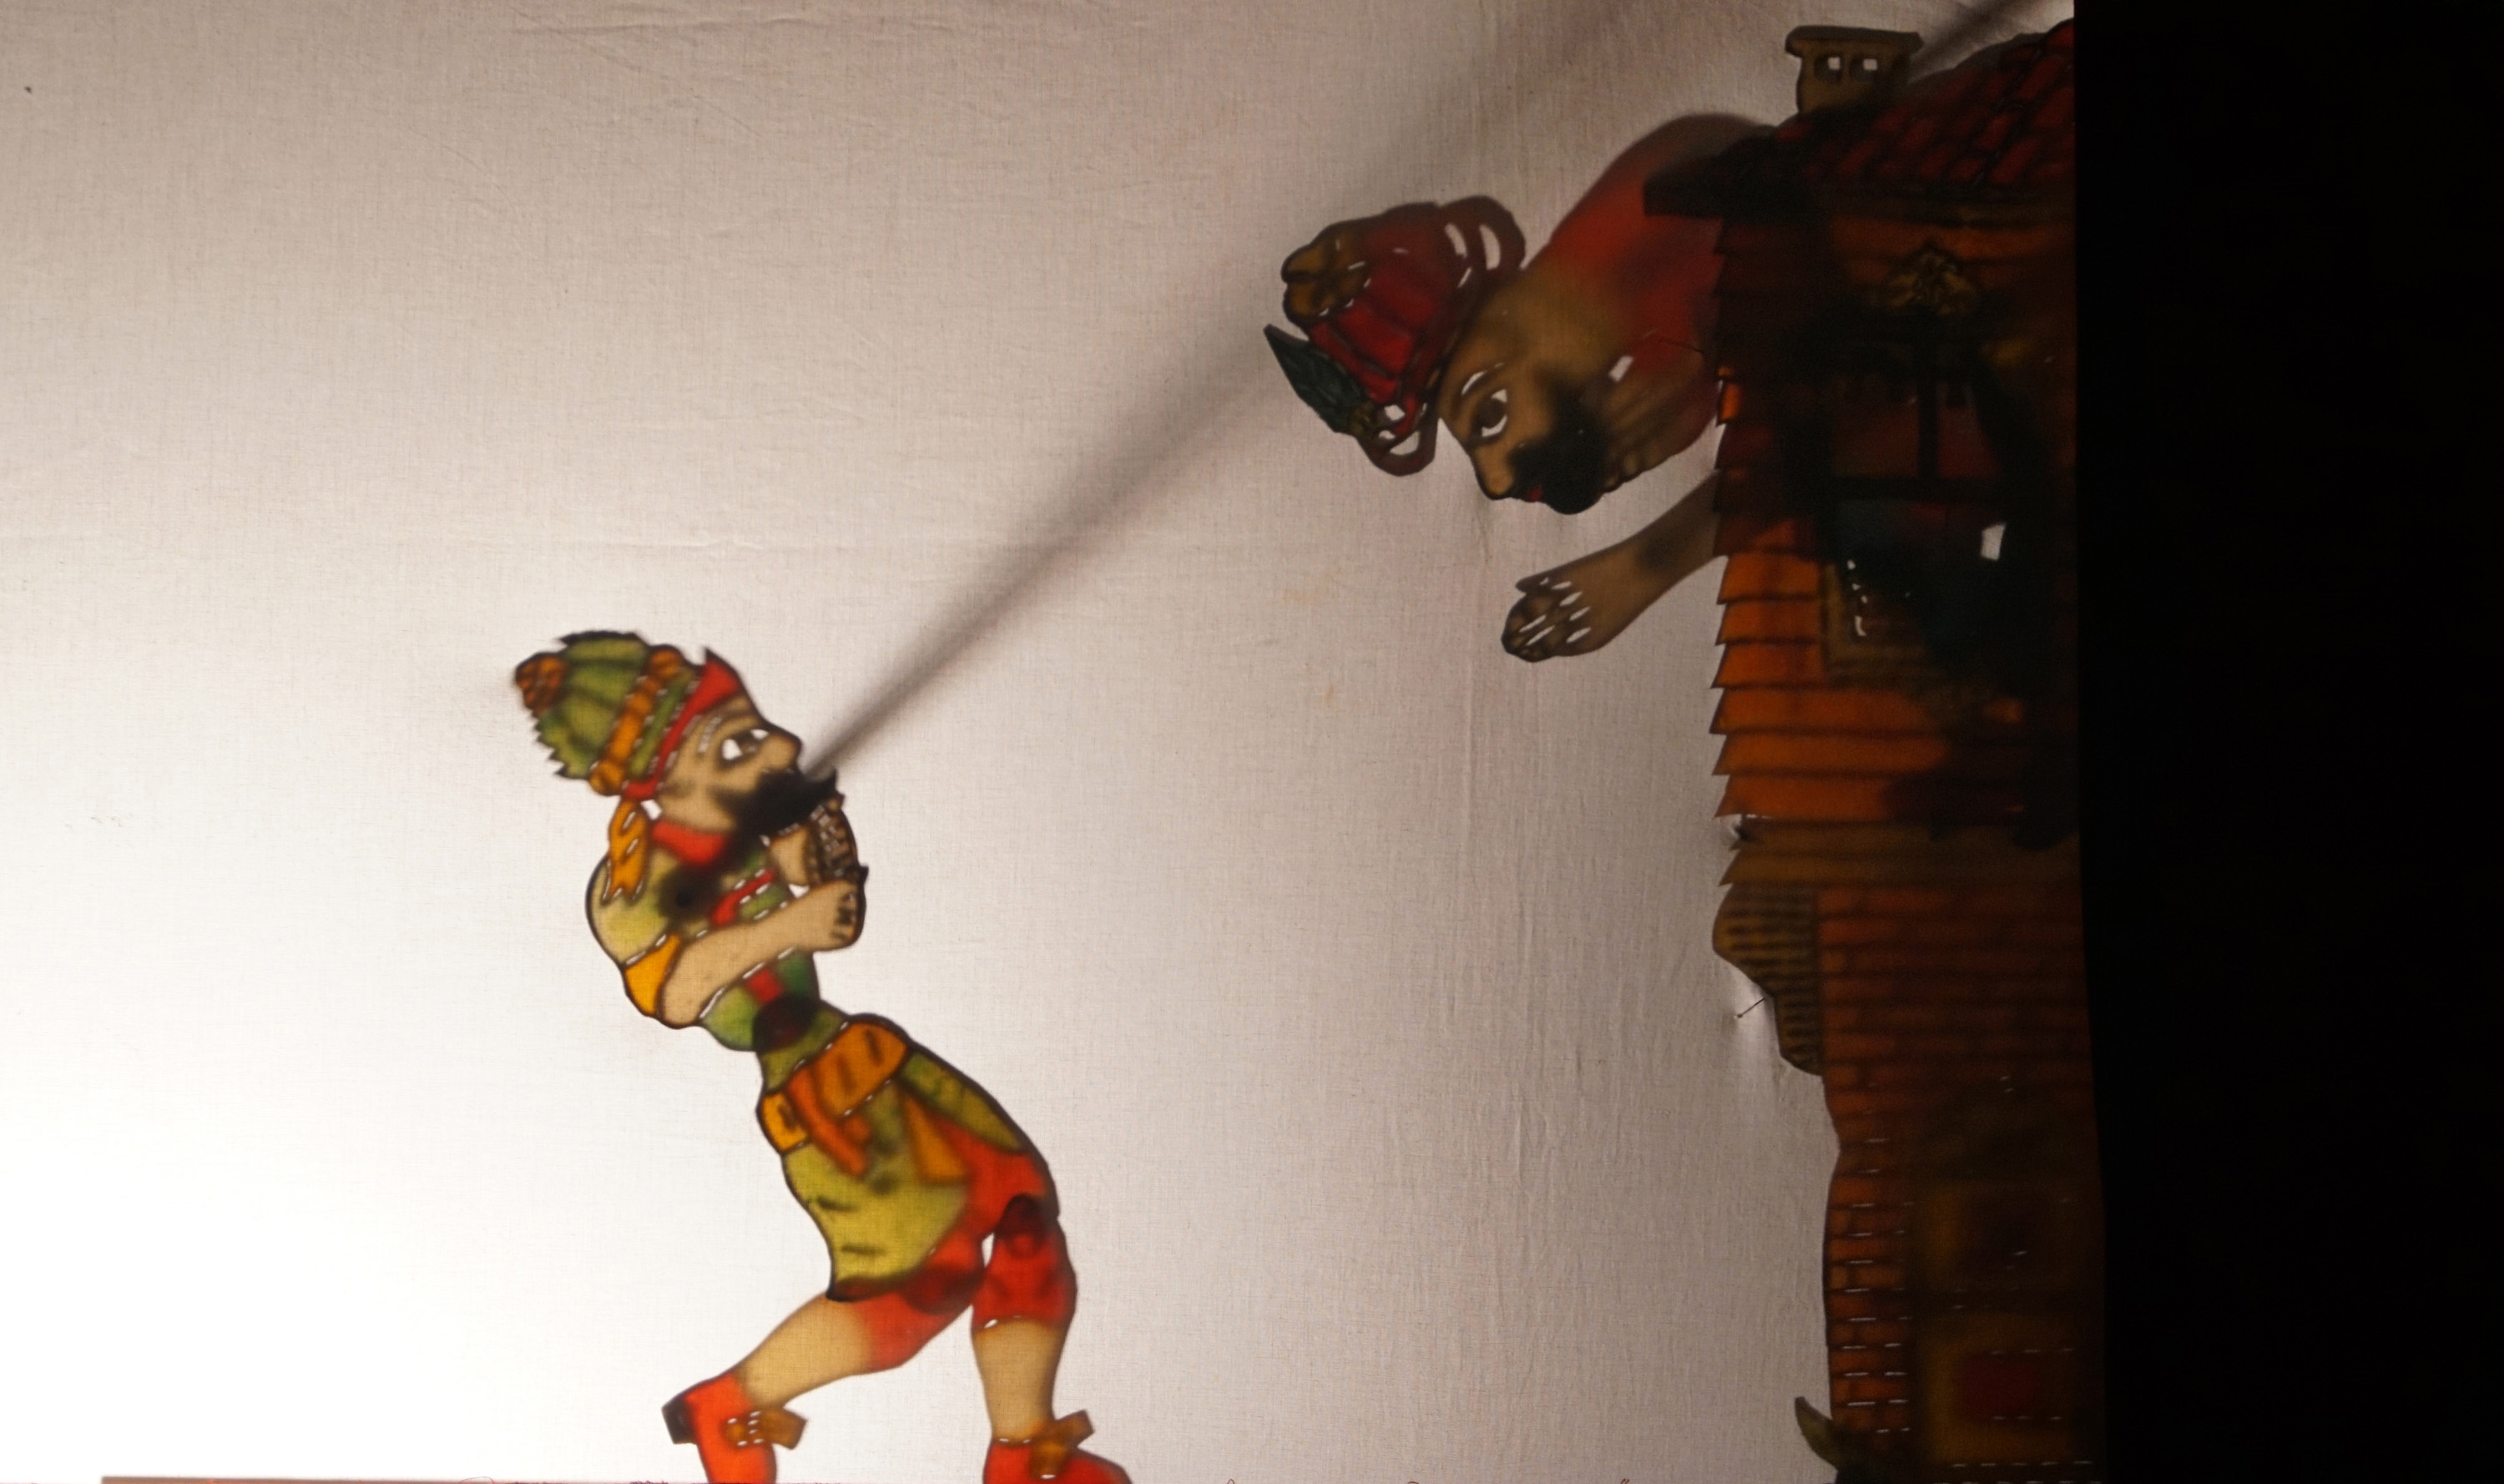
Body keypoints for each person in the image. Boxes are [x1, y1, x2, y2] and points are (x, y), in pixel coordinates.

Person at [515, 632, 1128, 1484]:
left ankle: (1024, 1448)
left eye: (758, 728)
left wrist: (817, 854)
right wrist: (789, 925)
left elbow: (812, 893)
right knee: (916, 1290)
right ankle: (732, 1404)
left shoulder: (744, 840)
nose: (780, 748)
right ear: (660, 779)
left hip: (871, 1059)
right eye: (736, 744)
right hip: (820, 1092)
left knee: (1023, 1213)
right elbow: (677, 990)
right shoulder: (635, 881)